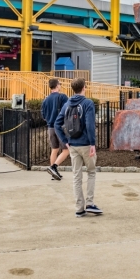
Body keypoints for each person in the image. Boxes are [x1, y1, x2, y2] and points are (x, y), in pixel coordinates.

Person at [54, 77, 102, 217]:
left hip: (73, 145)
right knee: (91, 172)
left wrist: (65, 141)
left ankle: (79, 208)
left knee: (76, 176)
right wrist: (93, 143)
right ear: (84, 88)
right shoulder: (88, 103)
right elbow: (90, 124)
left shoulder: (67, 104)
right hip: (86, 144)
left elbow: (57, 124)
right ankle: (90, 203)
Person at [41, 78, 70, 180]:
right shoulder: (62, 97)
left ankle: (53, 173)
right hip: (60, 127)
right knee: (66, 150)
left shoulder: (45, 100)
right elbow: (67, 111)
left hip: (50, 127)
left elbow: (43, 115)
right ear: (57, 85)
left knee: (54, 150)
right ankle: (54, 167)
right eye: (60, 84)